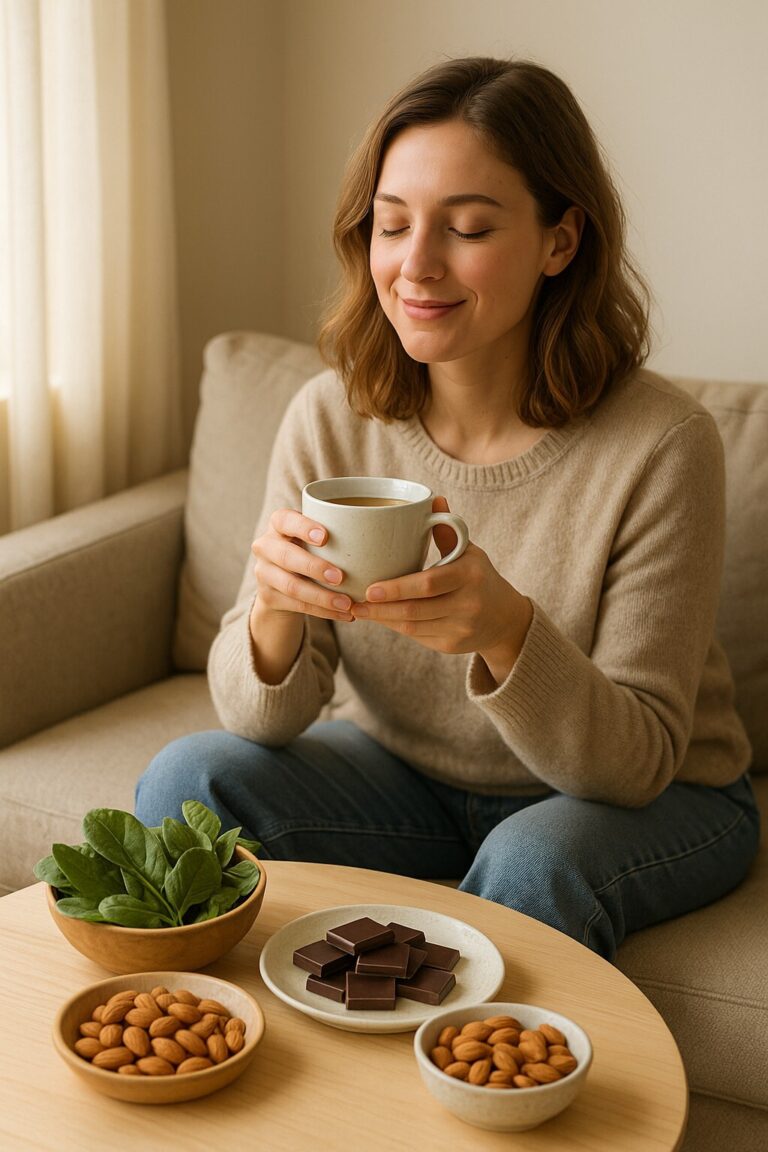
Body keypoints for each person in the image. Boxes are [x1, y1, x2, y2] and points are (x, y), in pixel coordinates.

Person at [135, 57, 759, 961]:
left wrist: (506, 632)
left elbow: (634, 764)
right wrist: (273, 608)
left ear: (560, 241)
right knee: (189, 779)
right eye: (392, 225)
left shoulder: (663, 443)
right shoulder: (330, 416)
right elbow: (261, 723)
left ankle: (425, 1052)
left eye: (467, 228)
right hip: (407, 781)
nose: (416, 265)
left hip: (650, 796)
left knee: (534, 860)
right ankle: (222, 1032)